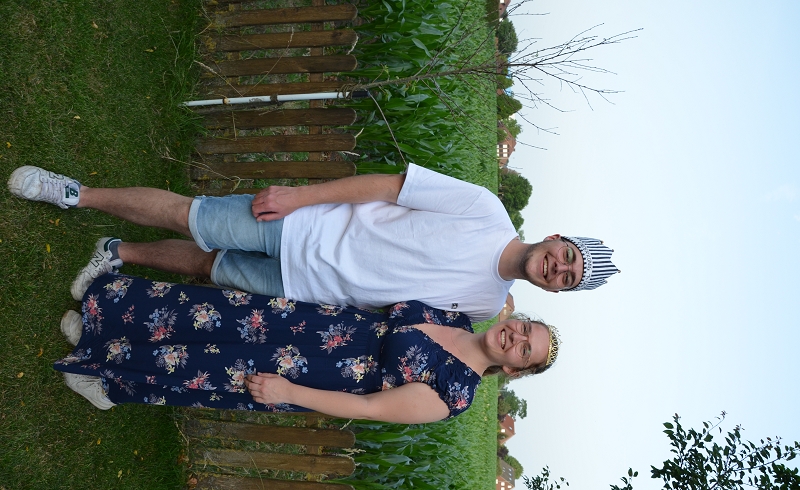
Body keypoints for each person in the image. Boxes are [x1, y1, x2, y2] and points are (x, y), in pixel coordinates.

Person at [8, 164, 619, 321]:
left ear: (556, 290)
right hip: (305, 226)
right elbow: (389, 187)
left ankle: (117, 254)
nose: (559, 268)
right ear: (556, 238)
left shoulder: (485, 307)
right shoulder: (485, 209)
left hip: (305, 288)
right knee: (189, 215)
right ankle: (74, 193)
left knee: (206, 265)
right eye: (568, 256)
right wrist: (301, 197)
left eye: (567, 279)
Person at [55, 272, 561, 424]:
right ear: (516, 320)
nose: (516, 339)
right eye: (525, 330)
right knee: (212, 315)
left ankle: (104, 372)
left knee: (206, 365)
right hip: (312, 325)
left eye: (525, 351)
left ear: (515, 371)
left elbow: (370, 407)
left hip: (311, 373)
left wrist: (288, 391)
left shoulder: (456, 393)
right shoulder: (455, 316)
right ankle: (106, 319)